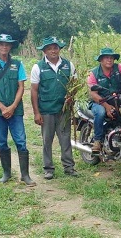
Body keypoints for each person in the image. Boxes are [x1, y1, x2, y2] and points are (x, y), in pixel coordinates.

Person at [0, 34, 35, 186]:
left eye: (7, 44)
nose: (4, 47)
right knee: (1, 141)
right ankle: (7, 173)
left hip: (15, 111)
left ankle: (25, 175)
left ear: (11, 46)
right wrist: (2, 108)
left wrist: (12, 107)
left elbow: (21, 87)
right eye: (1, 44)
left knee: (21, 141)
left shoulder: (17, 65)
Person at [30, 37, 78, 180]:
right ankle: (48, 169)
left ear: (59, 49)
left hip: (64, 110)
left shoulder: (68, 65)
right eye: (49, 48)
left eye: (55, 48)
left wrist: (71, 96)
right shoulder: (38, 67)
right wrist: (36, 112)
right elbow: (34, 91)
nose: (53, 50)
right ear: (44, 51)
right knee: (47, 140)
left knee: (65, 139)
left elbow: (74, 85)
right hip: (46, 109)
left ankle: (69, 167)